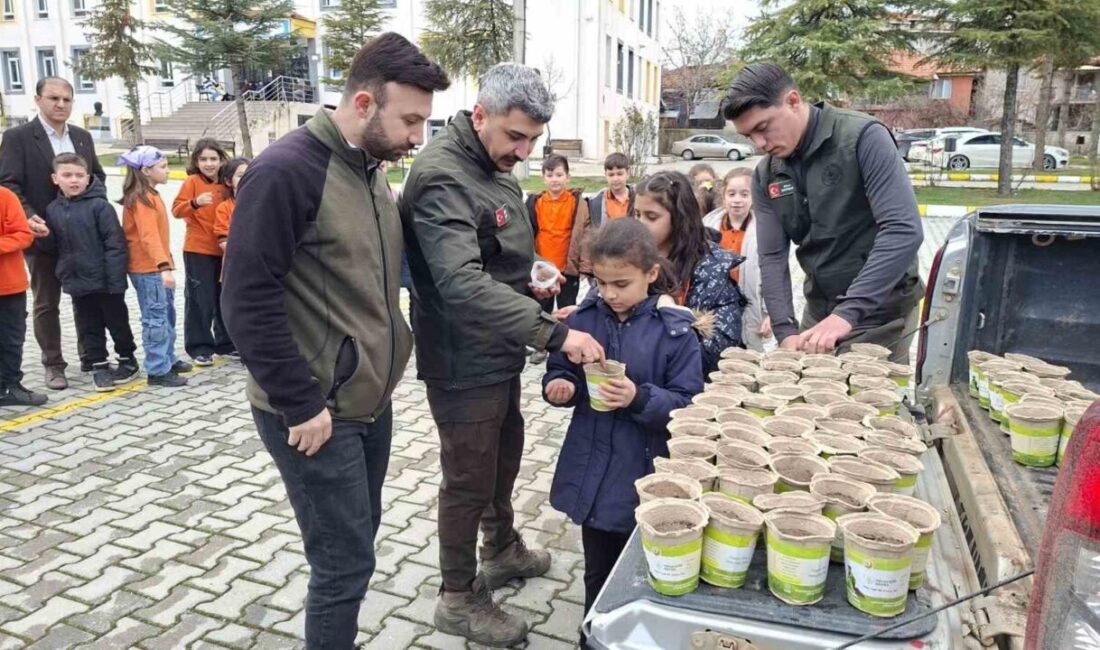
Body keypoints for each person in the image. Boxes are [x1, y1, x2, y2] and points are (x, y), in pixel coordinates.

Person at [221, 33, 450, 649]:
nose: (416, 137)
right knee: (343, 564)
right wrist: (301, 403)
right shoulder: (287, 170)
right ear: (366, 102)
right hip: (316, 412)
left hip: (366, 401)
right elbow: (244, 297)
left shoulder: (371, 170)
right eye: (410, 120)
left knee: (358, 542)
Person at [400, 63, 605, 647]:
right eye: (516, 136)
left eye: (534, 140)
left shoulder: (492, 165)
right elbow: (460, 283)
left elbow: (495, 254)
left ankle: (503, 549)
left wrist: (533, 279)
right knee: (467, 477)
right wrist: (552, 333)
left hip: (497, 348)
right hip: (462, 358)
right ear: (480, 114)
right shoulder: (443, 175)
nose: (524, 150)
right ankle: (458, 597)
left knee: (503, 457)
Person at [543, 218, 703, 622]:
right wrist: (561, 386)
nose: (609, 293)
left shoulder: (675, 332)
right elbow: (561, 367)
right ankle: (593, 632)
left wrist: (638, 397)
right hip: (593, 471)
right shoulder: (583, 320)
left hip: (646, 473)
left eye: (621, 284)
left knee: (647, 571)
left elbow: (690, 405)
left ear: (651, 274)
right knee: (598, 570)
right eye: (600, 283)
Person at [725, 63, 923, 361]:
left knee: (863, 402)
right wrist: (785, 330)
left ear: (792, 101)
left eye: (763, 128)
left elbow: (903, 230)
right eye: (749, 136)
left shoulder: (863, 138)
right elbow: (772, 256)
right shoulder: (767, 174)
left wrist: (847, 313)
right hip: (820, 309)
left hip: (880, 307)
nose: (760, 144)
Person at [0, 76, 106, 390]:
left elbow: (96, 177)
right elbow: (8, 183)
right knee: (47, 301)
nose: (60, 105)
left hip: (81, 235)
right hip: (42, 232)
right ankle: (53, 364)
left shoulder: (82, 137)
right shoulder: (18, 137)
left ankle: (91, 356)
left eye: (66, 99)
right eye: (53, 98)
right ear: (38, 100)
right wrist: (29, 216)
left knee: (85, 295)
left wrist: (93, 210)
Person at [37, 153, 138, 392]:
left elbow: (115, 244)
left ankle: (127, 359)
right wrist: (43, 237)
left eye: (79, 175)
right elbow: (54, 247)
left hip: (106, 281)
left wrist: (116, 281)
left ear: (88, 177)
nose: (74, 180)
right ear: (55, 178)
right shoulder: (52, 210)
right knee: (88, 325)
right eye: (67, 175)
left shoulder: (100, 206)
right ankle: (99, 366)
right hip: (77, 282)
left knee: (117, 322)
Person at [634, 171, 746, 374]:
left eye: (651, 217)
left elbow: (720, 348)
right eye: (636, 215)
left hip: (692, 390)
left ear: (679, 218)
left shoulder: (713, 268)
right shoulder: (626, 258)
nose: (640, 224)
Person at [119, 146, 191, 388]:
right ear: (146, 170)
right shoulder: (142, 200)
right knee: (155, 318)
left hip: (158, 265)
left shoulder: (152, 195)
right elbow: (148, 237)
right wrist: (163, 267)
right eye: (163, 167)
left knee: (167, 314)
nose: (168, 171)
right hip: (148, 268)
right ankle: (157, 368)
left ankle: (167, 358)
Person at [523, 153, 589, 364]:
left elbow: (583, 233)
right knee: (541, 309)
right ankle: (540, 347)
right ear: (543, 177)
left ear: (567, 177)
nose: (554, 179)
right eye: (550, 175)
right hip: (543, 268)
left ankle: (565, 348)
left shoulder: (576, 203)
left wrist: (583, 265)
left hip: (567, 267)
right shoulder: (536, 202)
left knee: (566, 309)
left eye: (559, 175)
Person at [172, 138, 232, 366]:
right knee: (200, 298)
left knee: (224, 296)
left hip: (225, 249)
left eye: (213, 159)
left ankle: (226, 342)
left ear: (221, 160)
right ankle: (200, 346)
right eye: (204, 159)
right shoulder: (192, 182)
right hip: (199, 249)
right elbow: (176, 210)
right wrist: (195, 203)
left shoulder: (226, 184)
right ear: (196, 161)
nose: (209, 164)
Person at [703, 168, 773, 352]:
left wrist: (771, 313)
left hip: (750, 305)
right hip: (715, 305)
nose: (737, 200)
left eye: (744, 194)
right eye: (732, 194)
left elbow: (773, 274)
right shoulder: (707, 226)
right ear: (723, 194)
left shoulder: (764, 230)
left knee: (747, 356)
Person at [0, 185, 46, 406]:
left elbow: (23, 234)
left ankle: (10, 386)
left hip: (8, 285)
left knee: (11, 339)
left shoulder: (5, 196)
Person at [213, 157, 249, 254]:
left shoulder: (262, 205)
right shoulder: (224, 208)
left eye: (250, 174)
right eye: (240, 175)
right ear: (228, 181)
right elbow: (223, 240)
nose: (246, 178)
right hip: (236, 259)